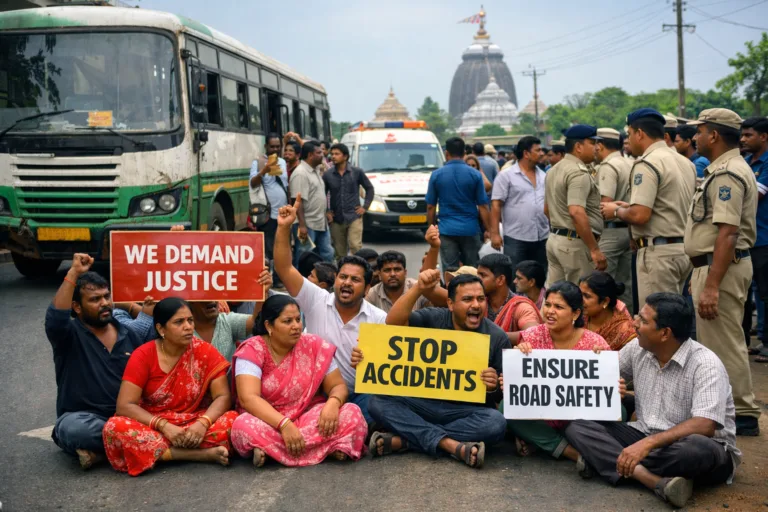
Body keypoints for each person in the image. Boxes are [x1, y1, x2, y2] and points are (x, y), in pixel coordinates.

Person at [565, 293, 741, 509]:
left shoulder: (706, 364)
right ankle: (651, 479)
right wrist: (598, 365)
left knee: (696, 450)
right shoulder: (637, 348)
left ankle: (604, 460)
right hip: (645, 433)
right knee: (578, 426)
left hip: (693, 446)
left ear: (665, 333)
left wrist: (646, 445)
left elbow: (705, 425)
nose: (634, 323)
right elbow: (598, 378)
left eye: (643, 321)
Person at [359, 272, 509, 469]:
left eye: (480, 299)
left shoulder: (497, 337)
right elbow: (393, 323)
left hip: (463, 412)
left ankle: (407, 441)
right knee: (377, 402)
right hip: (422, 404)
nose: (476, 305)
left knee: (496, 423)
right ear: (450, 304)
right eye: (467, 299)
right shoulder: (434, 318)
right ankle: (450, 445)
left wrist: (492, 387)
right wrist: (418, 288)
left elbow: (501, 394)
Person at [273, 193, 387, 423]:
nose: (346, 283)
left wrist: (371, 360)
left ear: (367, 289)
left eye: (355, 280)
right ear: (334, 280)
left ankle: (343, 427)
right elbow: (284, 269)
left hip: (360, 396)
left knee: (378, 407)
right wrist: (284, 228)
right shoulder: (316, 299)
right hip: (316, 394)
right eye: (343, 277)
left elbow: (388, 370)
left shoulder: (379, 318)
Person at [685, 108, 761, 436]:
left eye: (699, 131)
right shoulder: (723, 168)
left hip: (722, 269)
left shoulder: (728, 172)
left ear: (713, 135)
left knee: (725, 342)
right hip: (717, 267)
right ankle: (728, 408)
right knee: (719, 340)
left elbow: (728, 233)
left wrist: (712, 285)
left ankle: (741, 413)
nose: (695, 137)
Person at [102, 298, 237, 476]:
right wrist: (165, 427)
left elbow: (223, 397)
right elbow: (125, 405)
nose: (188, 327)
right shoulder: (143, 355)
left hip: (193, 421)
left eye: (190, 320)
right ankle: (194, 454)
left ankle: (157, 452)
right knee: (114, 427)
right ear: (160, 329)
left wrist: (202, 424)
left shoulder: (205, 351)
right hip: (154, 423)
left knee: (234, 420)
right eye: (179, 322)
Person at [230, 295, 367, 467]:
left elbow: (338, 385)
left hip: (308, 416)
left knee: (352, 412)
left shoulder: (314, 345)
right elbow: (248, 398)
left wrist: (333, 403)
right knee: (242, 426)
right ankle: (326, 447)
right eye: (287, 321)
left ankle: (273, 451)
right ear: (268, 326)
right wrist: (284, 425)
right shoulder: (252, 349)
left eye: (297, 319)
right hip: (269, 421)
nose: (296, 326)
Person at [45, 254, 144, 469]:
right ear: (77, 308)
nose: (104, 303)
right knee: (73, 430)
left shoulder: (129, 333)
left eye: (106, 296)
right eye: (95, 299)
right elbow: (55, 318)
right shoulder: (68, 335)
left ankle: (104, 454)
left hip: (129, 416)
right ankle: (135, 443)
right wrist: (73, 273)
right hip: (85, 419)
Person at [505, 281, 612, 461]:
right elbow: (519, 389)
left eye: (559, 307)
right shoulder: (532, 336)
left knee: (619, 413)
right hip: (541, 416)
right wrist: (517, 362)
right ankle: (572, 452)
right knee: (506, 409)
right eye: (547, 304)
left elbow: (606, 391)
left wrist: (606, 370)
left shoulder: (595, 343)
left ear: (576, 313)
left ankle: (543, 443)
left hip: (578, 420)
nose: (550, 311)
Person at [601, 108, 696, 307]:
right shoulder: (684, 161)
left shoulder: (648, 162)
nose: (629, 140)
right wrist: (629, 206)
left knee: (657, 322)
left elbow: (640, 215)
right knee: (674, 318)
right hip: (682, 250)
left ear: (640, 134)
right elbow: (668, 204)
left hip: (659, 255)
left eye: (629, 134)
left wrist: (616, 211)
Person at [544, 124, 607, 284]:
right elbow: (576, 212)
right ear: (578, 146)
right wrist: (594, 248)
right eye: (592, 143)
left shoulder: (553, 169)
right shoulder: (578, 172)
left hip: (556, 239)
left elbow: (546, 210)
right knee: (579, 296)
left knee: (555, 296)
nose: (597, 147)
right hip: (574, 244)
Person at [426, 136, 491, 270]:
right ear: (464, 154)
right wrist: (489, 230)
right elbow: (483, 206)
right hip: (470, 229)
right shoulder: (475, 175)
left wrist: (431, 227)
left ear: (446, 154)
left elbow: (431, 206)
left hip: (446, 229)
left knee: (450, 270)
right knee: (473, 269)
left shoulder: (436, 175)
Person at [489, 136, 549, 270]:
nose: (541, 153)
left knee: (540, 275)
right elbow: (496, 204)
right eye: (537, 150)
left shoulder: (543, 175)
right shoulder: (506, 176)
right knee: (516, 276)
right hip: (516, 237)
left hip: (542, 235)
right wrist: (494, 234)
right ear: (526, 153)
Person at [187, 268, 271, 362]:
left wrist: (262, 291)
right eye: (205, 297)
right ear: (191, 301)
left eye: (215, 294)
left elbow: (256, 322)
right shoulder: (181, 329)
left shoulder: (228, 322)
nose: (212, 300)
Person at [595, 128, 633, 312]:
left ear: (600, 145)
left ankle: (604, 332)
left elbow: (605, 205)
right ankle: (626, 329)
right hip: (629, 229)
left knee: (601, 286)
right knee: (624, 286)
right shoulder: (629, 163)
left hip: (611, 230)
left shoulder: (608, 166)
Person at [742, 117, 768, 361]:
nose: (743, 139)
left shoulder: (766, 162)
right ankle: (760, 338)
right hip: (750, 238)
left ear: (764, 136)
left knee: (765, 292)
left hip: (764, 236)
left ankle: (767, 341)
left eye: (749, 135)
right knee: (754, 292)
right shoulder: (748, 162)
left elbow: (755, 194)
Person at [250, 133, 290, 287]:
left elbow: (286, 186)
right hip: (268, 215)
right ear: (266, 146)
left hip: (283, 213)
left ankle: (279, 279)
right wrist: (264, 170)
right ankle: (265, 282)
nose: (275, 149)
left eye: (278, 146)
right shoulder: (258, 162)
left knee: (282, 248)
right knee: (267, 250)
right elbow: (253, 183)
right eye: (272, 146)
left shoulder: (282, 161)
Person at [476, 253, 542, 346]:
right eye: (477, 275)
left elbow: (534, 334)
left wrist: (489, 337)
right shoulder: (477, 302)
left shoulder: (520, 306)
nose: (477, 280)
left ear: (500, 280)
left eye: (483, 275)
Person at [324, 143, 375, 259]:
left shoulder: (357, 172)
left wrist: (365, 207)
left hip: (354, 216)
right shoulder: (328, 175)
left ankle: (360, 272)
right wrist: (327, 211)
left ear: (345, 156)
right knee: (339, 252)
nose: (333, 156)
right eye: (332, 154)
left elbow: (370, 189)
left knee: (356, 247)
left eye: (337, 154)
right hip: (336, 218)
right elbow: (322, 193)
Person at [290, 140, 335, 264]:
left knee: (327, 253)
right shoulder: (300, 173)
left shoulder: (315, 171)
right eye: (319, 152)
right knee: (304, 255)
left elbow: (318, 196)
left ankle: (326, 281)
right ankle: (300, 282)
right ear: (310, 155)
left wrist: (326, 212)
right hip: (307, 225)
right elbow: (297, 202)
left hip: (320, 222)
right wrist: (302, 226)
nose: (323, 155)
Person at [579, 271, 636, 351]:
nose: (580, 300)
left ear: (605, 301)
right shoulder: (577, 318)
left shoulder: (625, 331)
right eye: (580, 294)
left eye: (587, 296)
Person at [365, 250, 430, 313]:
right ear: (379, 275)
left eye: (397, 269)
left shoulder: (419, 288)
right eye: (387, 270)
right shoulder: (371, 295)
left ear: (405, 273)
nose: (392, 274)